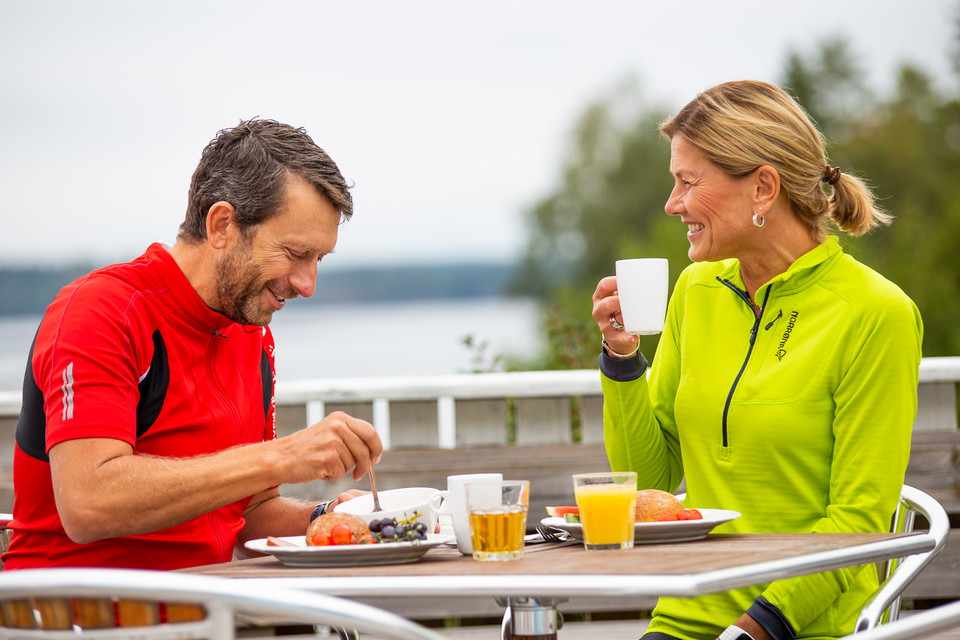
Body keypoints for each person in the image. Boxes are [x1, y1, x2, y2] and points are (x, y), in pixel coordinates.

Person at [592, 81, 922, 640]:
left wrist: (753, 630)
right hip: (686, 615)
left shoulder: (875, 313)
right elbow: (650, 481)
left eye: (688, 182)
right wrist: (622, 360)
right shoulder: (695, 290)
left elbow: (858, 526)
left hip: (802, 626)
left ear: (763, 187)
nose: (673, 204)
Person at [4, 118, 382, 570]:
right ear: (222, 225)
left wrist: (329, 519)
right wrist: (280, 457)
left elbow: (248, 512)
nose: (307, 284)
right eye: (296, 253)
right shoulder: (101, 311)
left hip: (207, 612)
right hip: (78, 616)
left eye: (318, 259)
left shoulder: (250, 330)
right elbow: (87, 504)